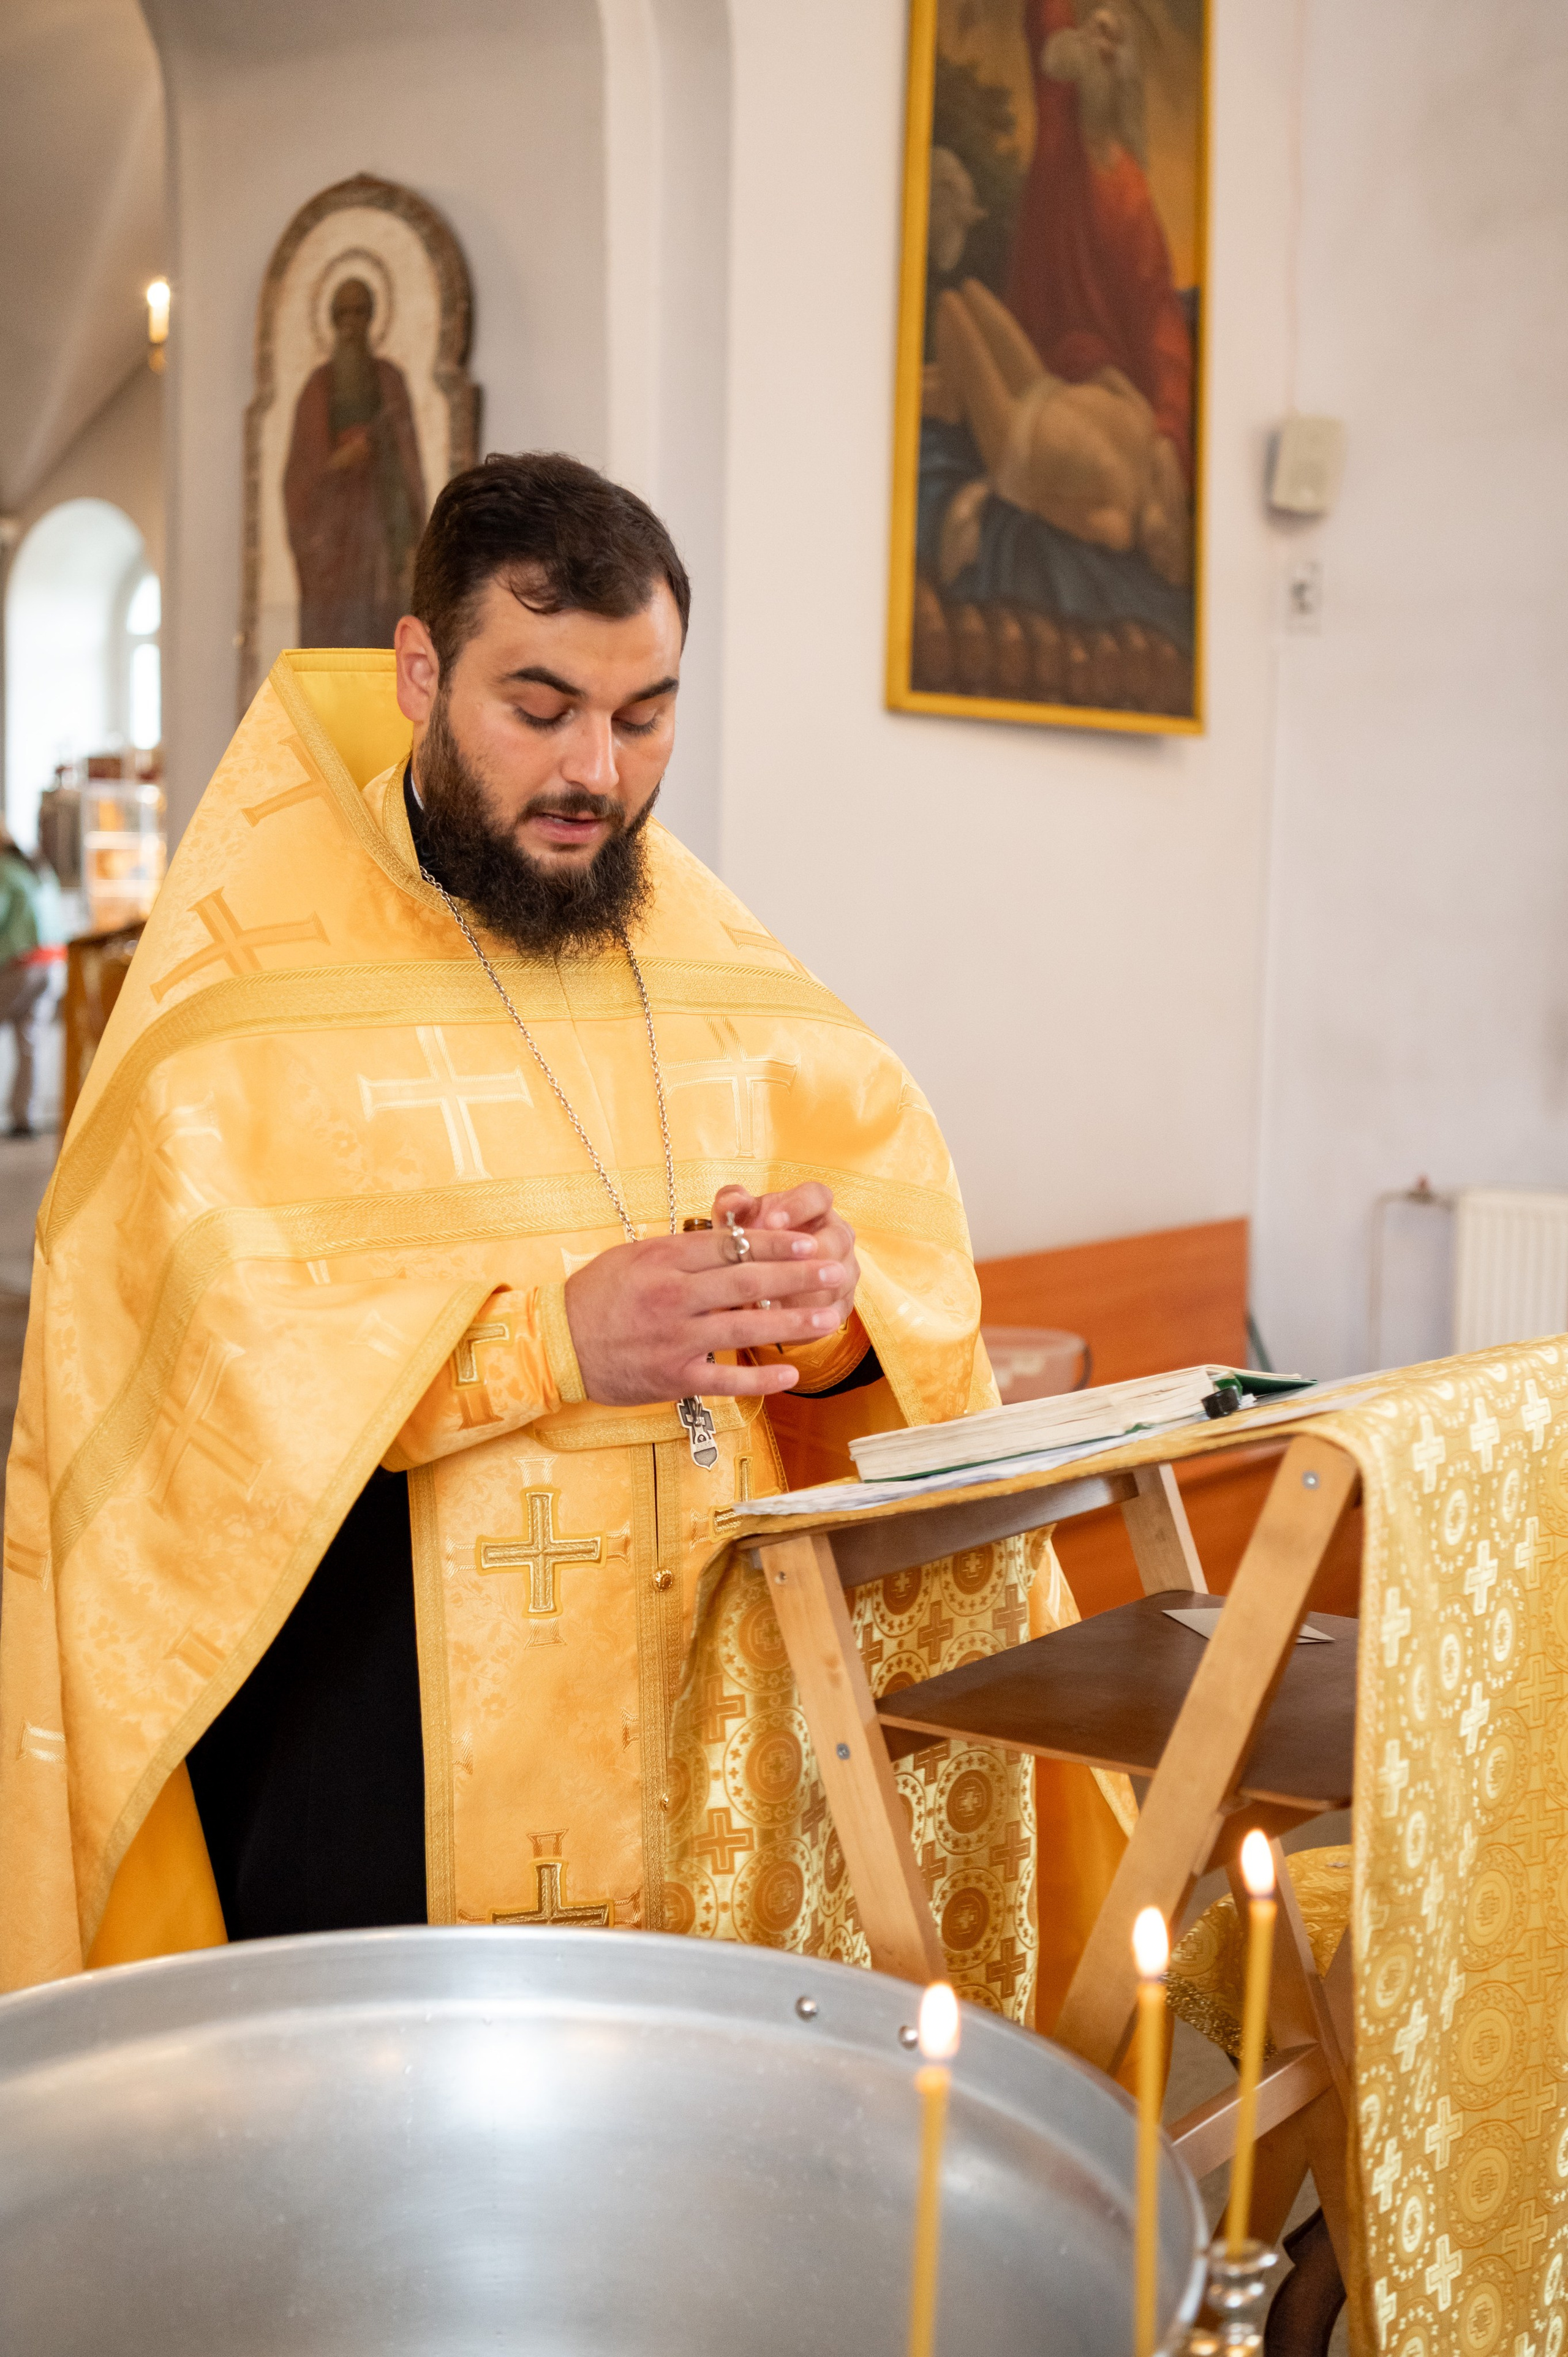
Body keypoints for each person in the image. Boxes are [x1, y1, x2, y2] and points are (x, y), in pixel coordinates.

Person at [2, 452, 1110, 2018]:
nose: (596, 769)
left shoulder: (706, 956)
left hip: (697, 1724)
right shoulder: (244, 995)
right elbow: (193, 1385)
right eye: (539, 708)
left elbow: (897, 1281)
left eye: (644, 715)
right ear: (419, 672)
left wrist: (819, 1318)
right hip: (361, 1732)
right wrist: (552, 1339)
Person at [1004, 0, 1193, 584]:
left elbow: (1162, 324)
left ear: (1126, 67)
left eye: (1114, 39)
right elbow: (1049, 32)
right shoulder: (1059, 131)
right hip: (1037, 355)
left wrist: (1169, 432)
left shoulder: (1132, 197)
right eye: (1092, 30)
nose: (1099, 45)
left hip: (1103, 395)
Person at [283, 276, 428, 647]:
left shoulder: (389, 380)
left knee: (384, 620)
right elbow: (298, 478)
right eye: (344, 314)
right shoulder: (317, 387)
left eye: (360, 313)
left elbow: (407, 460)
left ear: (372, 318)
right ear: (333, 321)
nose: (351, 324)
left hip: (381, 518)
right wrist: (337, 462)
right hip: (334, 529)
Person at [0, 828, 64, 1138]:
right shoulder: (39, 868)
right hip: (52, 964)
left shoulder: (4, 871)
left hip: (20, 966)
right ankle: (25, 1119)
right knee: (30, 1041)